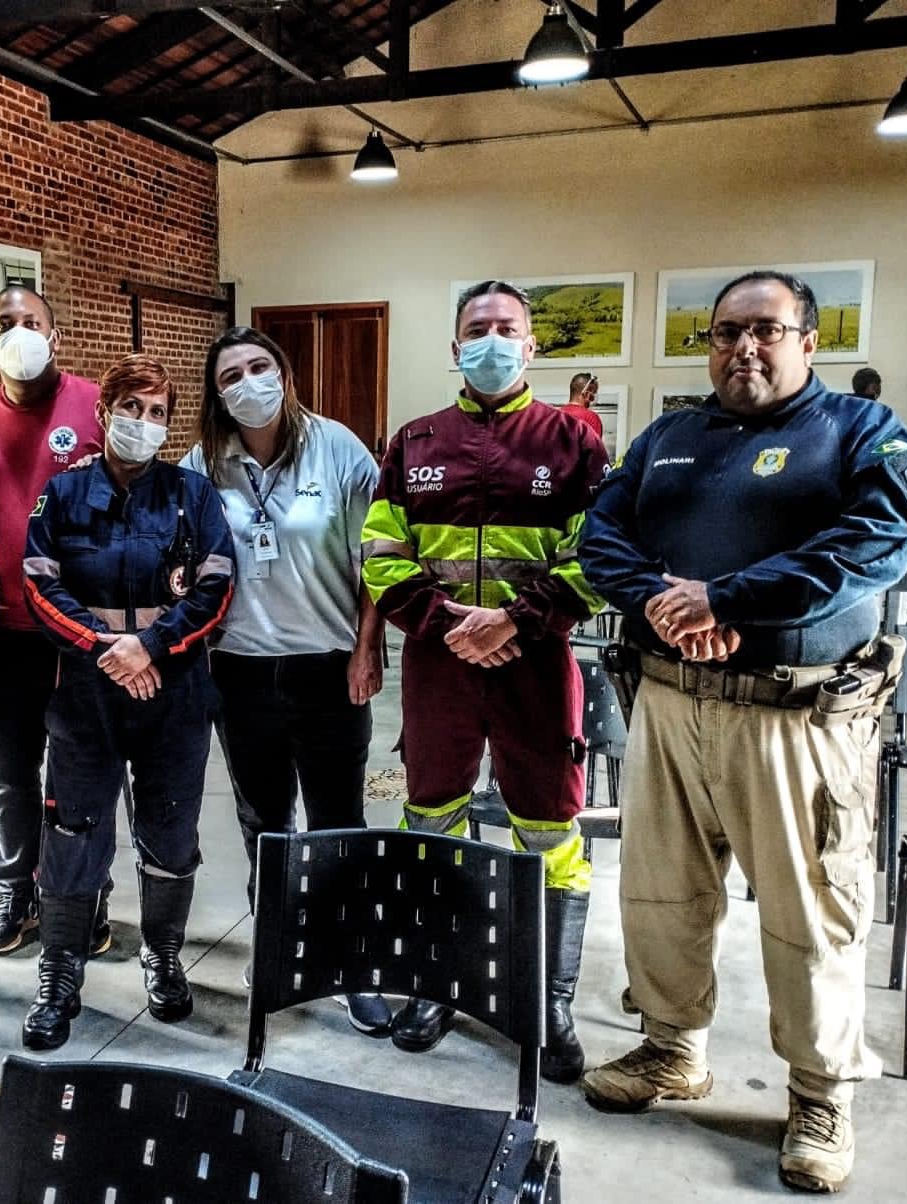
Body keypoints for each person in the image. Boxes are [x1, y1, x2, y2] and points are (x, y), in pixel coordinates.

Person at [578, 270, 907, 1194]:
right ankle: (671, 1050)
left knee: (809, 911)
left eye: (766, 330)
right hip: (667, 700)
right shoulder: (669, 435)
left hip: (797, 716)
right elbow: (600, 538)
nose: (744, 347)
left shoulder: (858, 433)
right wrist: (666, 604)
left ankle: (821, 1094)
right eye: (727, 331)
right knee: (660, 896)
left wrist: (728, 597)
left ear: (809, 341)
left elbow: (882, 537)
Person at [361, 280, 609, 1079]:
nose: (492, 340)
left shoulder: (572, 444)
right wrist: (450, 628)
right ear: (454, 347)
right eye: (478, 328)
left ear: (532, 347)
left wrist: (513, 622)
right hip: (439, 668)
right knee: (432, 817)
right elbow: (380, 555)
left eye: (507, 328)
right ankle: (438, 980)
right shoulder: (415, 442)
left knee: (551, 828)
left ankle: (550, 998)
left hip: (537, 666)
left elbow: (599, 558)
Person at [181, 326, 391, 1037]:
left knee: (338, 823)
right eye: (229, 376)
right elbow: (177, 549)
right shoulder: (203, 462)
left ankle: (356, 962)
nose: (247, 383)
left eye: (258, 367)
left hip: (328, 669)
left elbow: (380, 560)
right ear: (217, 394)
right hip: (239, 673)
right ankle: (280, 947)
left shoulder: (339, 450)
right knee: (265, 824)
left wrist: (369, 648)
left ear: (285, 372)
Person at [20, 354, 235, 1050]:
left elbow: (217, 587)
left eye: (158, 413)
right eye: (132, 408)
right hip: (86, 694)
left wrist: (151, 646)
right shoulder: (63, 493)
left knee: (170, 834)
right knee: (74, 834)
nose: (144, 423)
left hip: (173, 692)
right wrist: (104, 649)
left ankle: (163, 955)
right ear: (104, 410)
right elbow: (38, 583)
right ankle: (59, 974)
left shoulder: (192, 494)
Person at [0, 286, 106, 956]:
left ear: (56, 335)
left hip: (82, 632)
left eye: (32, 322)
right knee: (9, 774)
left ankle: (82, 896)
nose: (20, 332)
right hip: (5, 631)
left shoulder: (96, 405)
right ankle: (15, 889)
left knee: (83, 774)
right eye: (4, 325)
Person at [564, 372, 604, 439]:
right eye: (594, 392)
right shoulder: (591, 417)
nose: (594, 396)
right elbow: (594, 448)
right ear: (586, 394)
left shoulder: (556, 415)